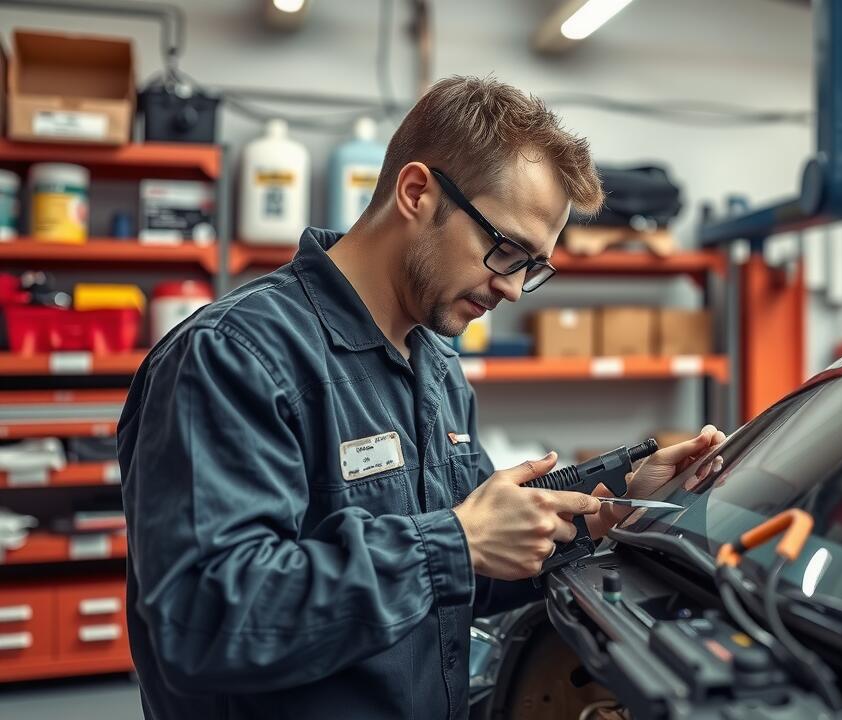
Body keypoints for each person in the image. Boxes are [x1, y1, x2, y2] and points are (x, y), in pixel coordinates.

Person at [118, 76, 725, 720]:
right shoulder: (233, 356)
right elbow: (207, 620)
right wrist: (454, 544)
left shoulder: (436, 365)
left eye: (532, 267)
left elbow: (476, 561)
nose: (515, 289)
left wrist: (603, 510)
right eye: (506, 250)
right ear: (416, 192)